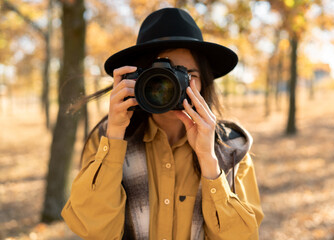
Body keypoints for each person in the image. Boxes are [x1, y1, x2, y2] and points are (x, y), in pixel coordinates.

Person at [61, 7, 264, 240]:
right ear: (136, 80)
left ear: (204, 82)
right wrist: (115, 136)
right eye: (158, 76)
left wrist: (209, 159)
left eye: (186, 74)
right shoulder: (106, 140)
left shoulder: (232, 149)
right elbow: (93, 230)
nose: (171, 86)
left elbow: (243, 236)